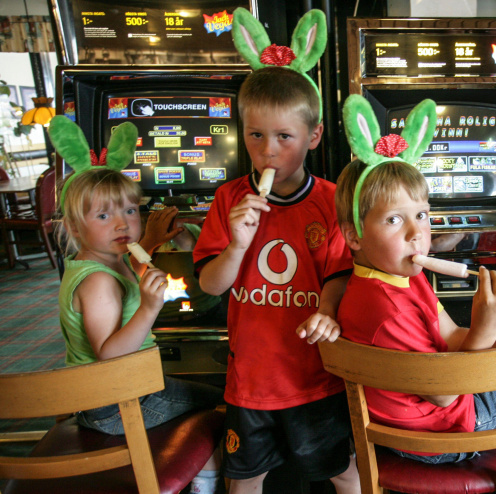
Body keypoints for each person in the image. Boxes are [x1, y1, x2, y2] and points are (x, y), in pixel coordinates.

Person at [334, 95, 496, 464]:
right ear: (354, 236)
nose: (416, 233)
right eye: (394, 219)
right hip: (438, 435)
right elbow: (445, 391)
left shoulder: (399, 277)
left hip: (430, 410)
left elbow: (453, 338)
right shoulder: (384, 307)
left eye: (422, 215)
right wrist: (491, 330)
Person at [192, 9, 359, 493]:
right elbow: (210, 284)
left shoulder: (331, 201)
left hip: (317, 376)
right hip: (251, 380)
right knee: (244, 481)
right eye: (255, 136)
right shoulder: (228, 200)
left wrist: (327, 309)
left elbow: (339, 272)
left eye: (284, 138)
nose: (268, 152)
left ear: (313, 137)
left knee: (344, 473)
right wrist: (238, 245)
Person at [57, 167, 224, 494]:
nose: (122, 223)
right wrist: (149, 308)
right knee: (222, 401)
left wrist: (148, 246)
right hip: (117, 404)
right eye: (104, 215)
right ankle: (204, 484)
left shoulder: (104, 261)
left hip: (108, 397)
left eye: (131, 211)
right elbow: (109, 355)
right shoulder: (98, 282)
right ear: (74, 227)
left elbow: (128, 275)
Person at [133, 206, 225, 326]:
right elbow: (128, 277)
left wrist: (177, 225)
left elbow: (196, 252)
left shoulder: (195, 230)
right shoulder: (134, 235)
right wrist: (150, 240)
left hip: (207, 311)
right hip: (157, 318)